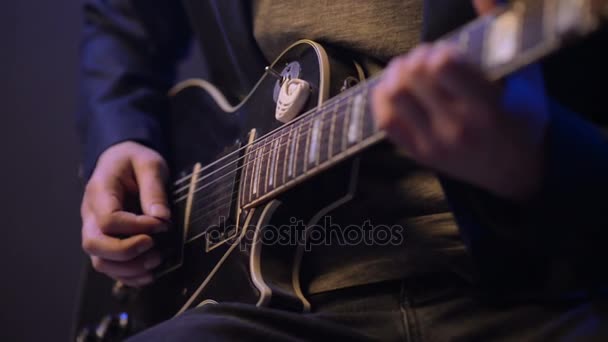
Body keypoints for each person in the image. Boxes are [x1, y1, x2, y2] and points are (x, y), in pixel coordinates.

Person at [78, 0, 608, 340]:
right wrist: (119, 138)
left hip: (535, 288)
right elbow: (122, 18)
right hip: (278, 308)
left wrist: (540, 161)